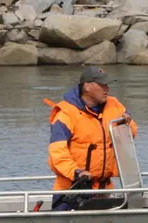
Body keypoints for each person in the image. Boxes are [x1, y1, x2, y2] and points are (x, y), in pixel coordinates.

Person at [46, 66, 136, 210]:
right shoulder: (66, 114)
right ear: (87, 87)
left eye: (107, 84)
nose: (106, 89)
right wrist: (76, 172)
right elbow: (57, 153)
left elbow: (131, 134)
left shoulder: (115, 106)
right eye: (102, 85)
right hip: (72, 191)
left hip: (103, 190)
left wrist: (126, 124)